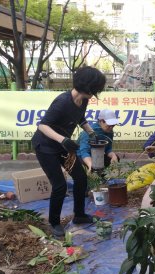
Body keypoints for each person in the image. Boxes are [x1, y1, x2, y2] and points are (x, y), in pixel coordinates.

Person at [31, 66, 106, 237]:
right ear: (88, 86)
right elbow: (42, 126)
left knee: (80, 178)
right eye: (96, 88)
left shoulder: (83, 100)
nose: (96, 93)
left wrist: (91, 133)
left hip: (63, 147)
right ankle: (54, 222)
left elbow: (80, 118)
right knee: (59, 185)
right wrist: (63, 140)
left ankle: (79, 215)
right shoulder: (62, 101)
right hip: (46, 147)